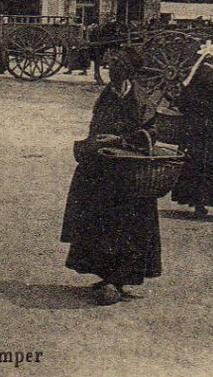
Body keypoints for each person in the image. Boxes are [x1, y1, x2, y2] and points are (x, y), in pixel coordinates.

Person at [60, 48, 163, 304]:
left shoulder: (140, 98)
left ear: (128, 71)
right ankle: (107, 275)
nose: (111, 68)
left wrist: (120, 139)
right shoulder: (107, 96)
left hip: (129, 174)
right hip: (104, 171)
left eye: (118, 65)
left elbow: (151, 132)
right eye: (111, 64)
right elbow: (96, 127)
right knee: (101, 223)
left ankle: (119, 279)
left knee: (128, 226)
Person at [169, 42, 213, 220]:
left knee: (197, 167)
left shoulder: (194, 75)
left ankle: (199, 205)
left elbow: (183, 102)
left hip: (195, 131)